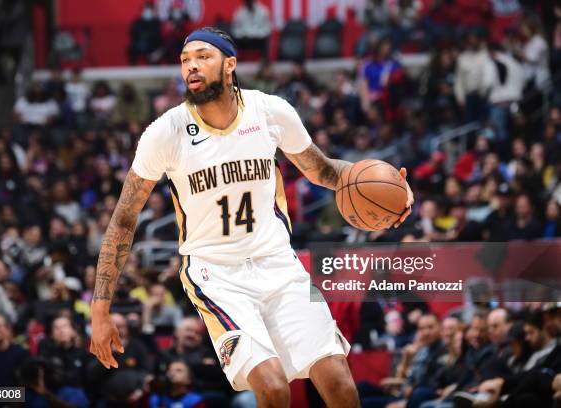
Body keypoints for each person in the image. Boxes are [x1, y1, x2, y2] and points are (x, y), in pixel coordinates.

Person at [89, 27, 414, 408]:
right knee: (274, 387)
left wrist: (393, 188)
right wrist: (100, 309)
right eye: (184, 59)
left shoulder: (270, 111)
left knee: (340, 382)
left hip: (278, 262)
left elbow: (325, 171)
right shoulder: (165, 133)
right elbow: (124, 219)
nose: (191, 66)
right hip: (217, 273)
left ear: (230, 65)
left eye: (202, 56)